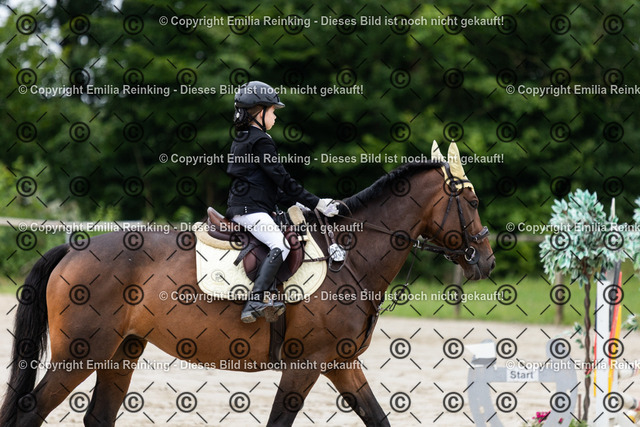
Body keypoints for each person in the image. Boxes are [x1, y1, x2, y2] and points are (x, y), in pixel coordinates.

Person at [226, 81, 339, 323]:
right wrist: (317, 203)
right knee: (281, 244)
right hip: (251, 210)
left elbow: (269, 186)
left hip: (245, 207)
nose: (276, 116)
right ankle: (255, 300)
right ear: (259, 112)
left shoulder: (243, 138)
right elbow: (282, 179)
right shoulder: (261, 141)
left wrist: (299, 204)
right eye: (273, 111)